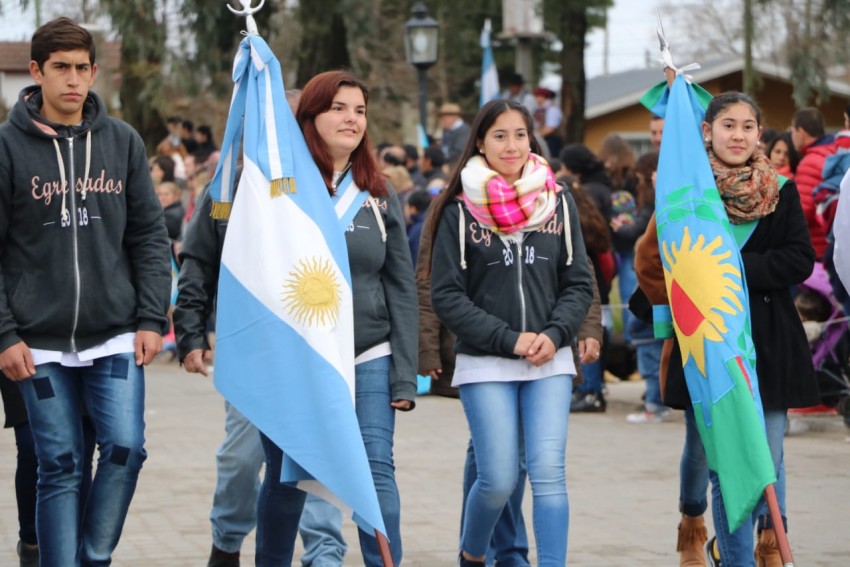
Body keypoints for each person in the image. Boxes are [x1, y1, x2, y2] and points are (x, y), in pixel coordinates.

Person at [0, 16, 171, 566]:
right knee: (60, 462)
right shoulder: (7, 148)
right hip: (38, 341)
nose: (73, 79)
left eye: (81, 68)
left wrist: (151, 318)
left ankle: (92, 557)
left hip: (115, 333)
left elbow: (148, 235)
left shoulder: (122, 142)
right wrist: (4, 334)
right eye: (61, 68)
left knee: (125, 448)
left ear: (94, 72)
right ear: (37, 71)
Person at [637, 85, 819, 566]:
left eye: (748, 126)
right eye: (728, 125)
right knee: (707, 454)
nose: (738, 135)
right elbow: (655, 260)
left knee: (767, 455)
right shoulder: (686, 191)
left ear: (760, 134)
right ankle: (693, 521)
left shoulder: (781, 190)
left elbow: (799, 258)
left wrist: (728, 271)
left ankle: (754, 545)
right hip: (707, 341)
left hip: (769, 338)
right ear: (707, 131)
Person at [427, 99, 594, 566]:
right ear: (480, 142)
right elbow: (447, 295)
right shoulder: (458, 210)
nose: (511, 145)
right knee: (498, 479)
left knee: (549, 476)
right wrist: (509, 339)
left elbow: (579, 282)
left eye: (520, 134)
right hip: (486, 361)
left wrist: (556, 333)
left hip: (550, 359)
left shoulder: (558, 201)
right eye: (499, 135)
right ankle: (472, 555)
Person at [265, 70, 417, 567]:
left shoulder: (378, 191)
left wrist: (405, 373)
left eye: (360, 110)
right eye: (338, 108)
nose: (352, 119)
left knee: (375, 472)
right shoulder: (278, 187)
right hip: (298, 358)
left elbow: (400, 285)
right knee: (288, 479)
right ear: (311, 116)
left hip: (368, 351)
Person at [790, 107, 834, 259]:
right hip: (832, 242)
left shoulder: (810, 162)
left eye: (792, 131)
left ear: (801, 132)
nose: (791, 136)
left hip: (817, 246)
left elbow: (803, 211)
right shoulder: (833, 153)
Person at [531, 87, 563, 157]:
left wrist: (535, 137)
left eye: (537, 96)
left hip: (551, 141)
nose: (535, 99)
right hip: (542, 139)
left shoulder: (552, 109)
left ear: (543, 97)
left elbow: (550, 128)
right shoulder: (539, 109)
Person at [438, 102, 472, 167]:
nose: (442, 120)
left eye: (444, 117)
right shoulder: (447, 130)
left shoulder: (464, 131)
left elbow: (458, 153)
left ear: (453, 116)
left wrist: (440, 160)